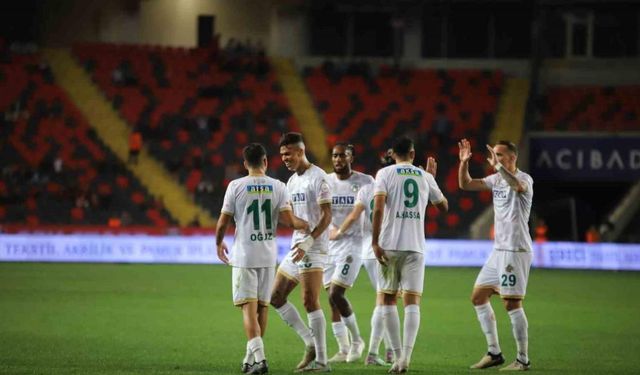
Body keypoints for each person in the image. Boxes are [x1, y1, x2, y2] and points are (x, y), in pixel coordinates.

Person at [215, 143, 309, 375]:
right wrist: (308, 225)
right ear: (266, 161)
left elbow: (223, 222)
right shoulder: (278, 186)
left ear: (245, 163)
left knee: (248, 309)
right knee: (262, 309)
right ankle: (250, 360)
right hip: (268, 256)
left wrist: (218, 242)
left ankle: (261, 358)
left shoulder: (235, 186)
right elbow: (289, 220)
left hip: (245, 256)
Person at [371, 136, 448, 373]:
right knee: (412, 302)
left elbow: (379, 207)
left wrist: (374, 242)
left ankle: (396, 356)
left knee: (386, 299)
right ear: (413, 155)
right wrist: (431, 181)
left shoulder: (384, 174)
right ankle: (406, 357)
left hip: (389, 245)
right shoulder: (424, 176)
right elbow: (443, 206)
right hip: (416, 246)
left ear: (393, 153)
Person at [458, 139, 534, 371]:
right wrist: (463, 163)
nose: (496, 158)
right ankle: (494, 352)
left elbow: (517, 187)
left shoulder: (524, 179)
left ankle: (522, 359)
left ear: (513, 157)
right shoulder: (496, 180)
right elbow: (466, 185)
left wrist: (498, 167)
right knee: (478, 297)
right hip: (498, 250)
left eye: (501, 155)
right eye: (495, 155)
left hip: (515, 249)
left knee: (511, 303)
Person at [269, 132, 333, 372]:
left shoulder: (319, 178)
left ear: (300, 151)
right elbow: (296, 216)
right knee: (275, 296)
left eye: (288, 153)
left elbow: (327, 216)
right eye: (282, 154)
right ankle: (310, 343)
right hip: (297, 246)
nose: (284, 158)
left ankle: (323, 362)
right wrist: (290, 220)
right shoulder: (291, 181)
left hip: (314, 247)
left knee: (309, 300)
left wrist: (310, 240)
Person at [329, 175, 393, 366]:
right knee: (385, 300)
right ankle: (375, 352)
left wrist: (338, 232)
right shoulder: (393, 190)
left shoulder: (366, 190)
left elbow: (354, 215)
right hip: (384, 248)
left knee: (384, 299)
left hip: (367, 250)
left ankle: (388, 350)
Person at [324, 142, 374, 364]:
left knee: (336, 293)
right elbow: (319, 211)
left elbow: (376, 209)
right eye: (335, 156)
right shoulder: (325, 181)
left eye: (342, 156)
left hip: (354, 244)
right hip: (329, 245)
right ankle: (343, 348)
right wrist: (328, 230)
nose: (338, 160)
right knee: (331, 300)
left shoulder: (365, 181)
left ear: (351, 157)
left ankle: (356, 341)